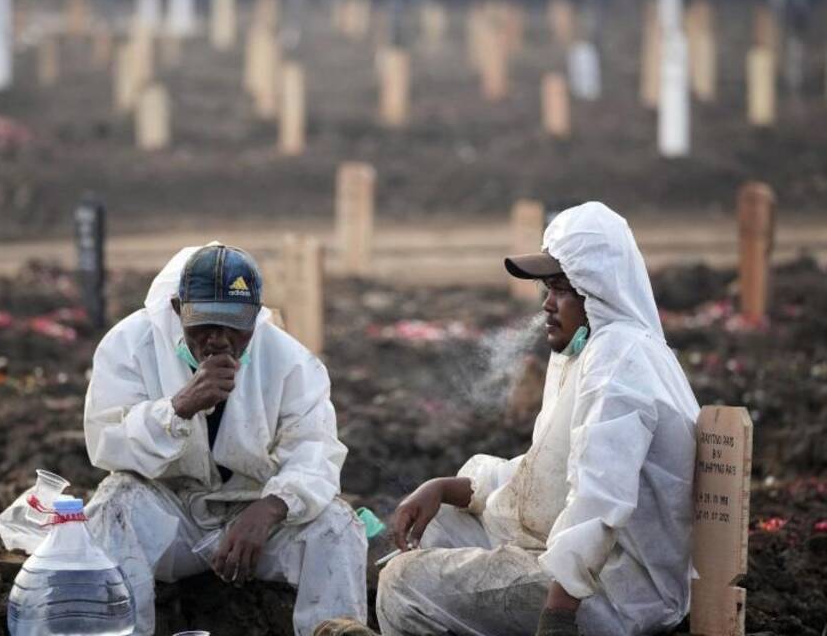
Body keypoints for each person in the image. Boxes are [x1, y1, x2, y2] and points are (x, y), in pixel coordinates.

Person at [376, 202, 699, 636]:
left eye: (562, 289)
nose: (547, 305)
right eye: (546, 289)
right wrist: (444, 488)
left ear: (597, 290)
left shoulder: (618, 365)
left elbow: (598, 500)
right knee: (438, 530)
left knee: (403, 584)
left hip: (615, 594)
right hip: (585, 570)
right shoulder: (592, 352)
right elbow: (548, 475)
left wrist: (559, 617)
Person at [82, 243, 368, 636]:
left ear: (255, 318)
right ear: (177, 308)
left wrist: (270, 507)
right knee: (113, 504)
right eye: (203, 324)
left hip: (252, 523)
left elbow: (314, 451)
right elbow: (106, 440)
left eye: (234, 326)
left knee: (337, 524)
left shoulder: (290, 361)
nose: (218, 339)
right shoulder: (129, 346)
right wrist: (178, 408)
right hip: (170, 516)